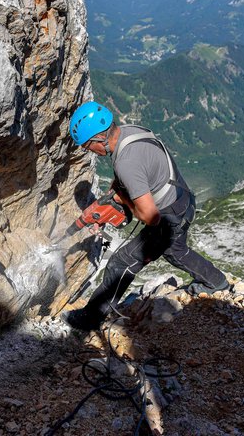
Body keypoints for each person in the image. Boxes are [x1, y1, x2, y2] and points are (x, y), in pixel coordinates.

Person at [63, 101, 230, 331]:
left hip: (167, 216)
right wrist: (112, 201)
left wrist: (125, 206)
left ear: (99, 139)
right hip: (182, 198)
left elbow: (150, 217)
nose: (88, 150)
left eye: (87, 146)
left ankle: (90, 319)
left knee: (120, 263)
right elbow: (131, 179)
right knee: (174, 250)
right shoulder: (129, 133)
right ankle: (217, 282)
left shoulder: (126, 162)